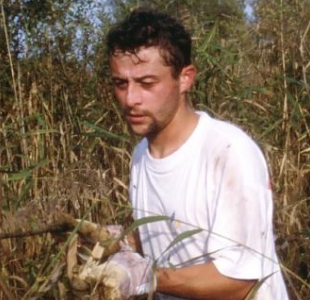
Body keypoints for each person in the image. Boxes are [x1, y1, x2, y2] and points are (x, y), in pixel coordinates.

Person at [96, 7, 290, 300]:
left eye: (147, 83)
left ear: (185, 78)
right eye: (121, 84)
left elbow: (242, 281)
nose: (131, 99)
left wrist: (146, 277)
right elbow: (173, 232)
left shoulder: (227, 152)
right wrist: (125, 243)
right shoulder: (141, 155)